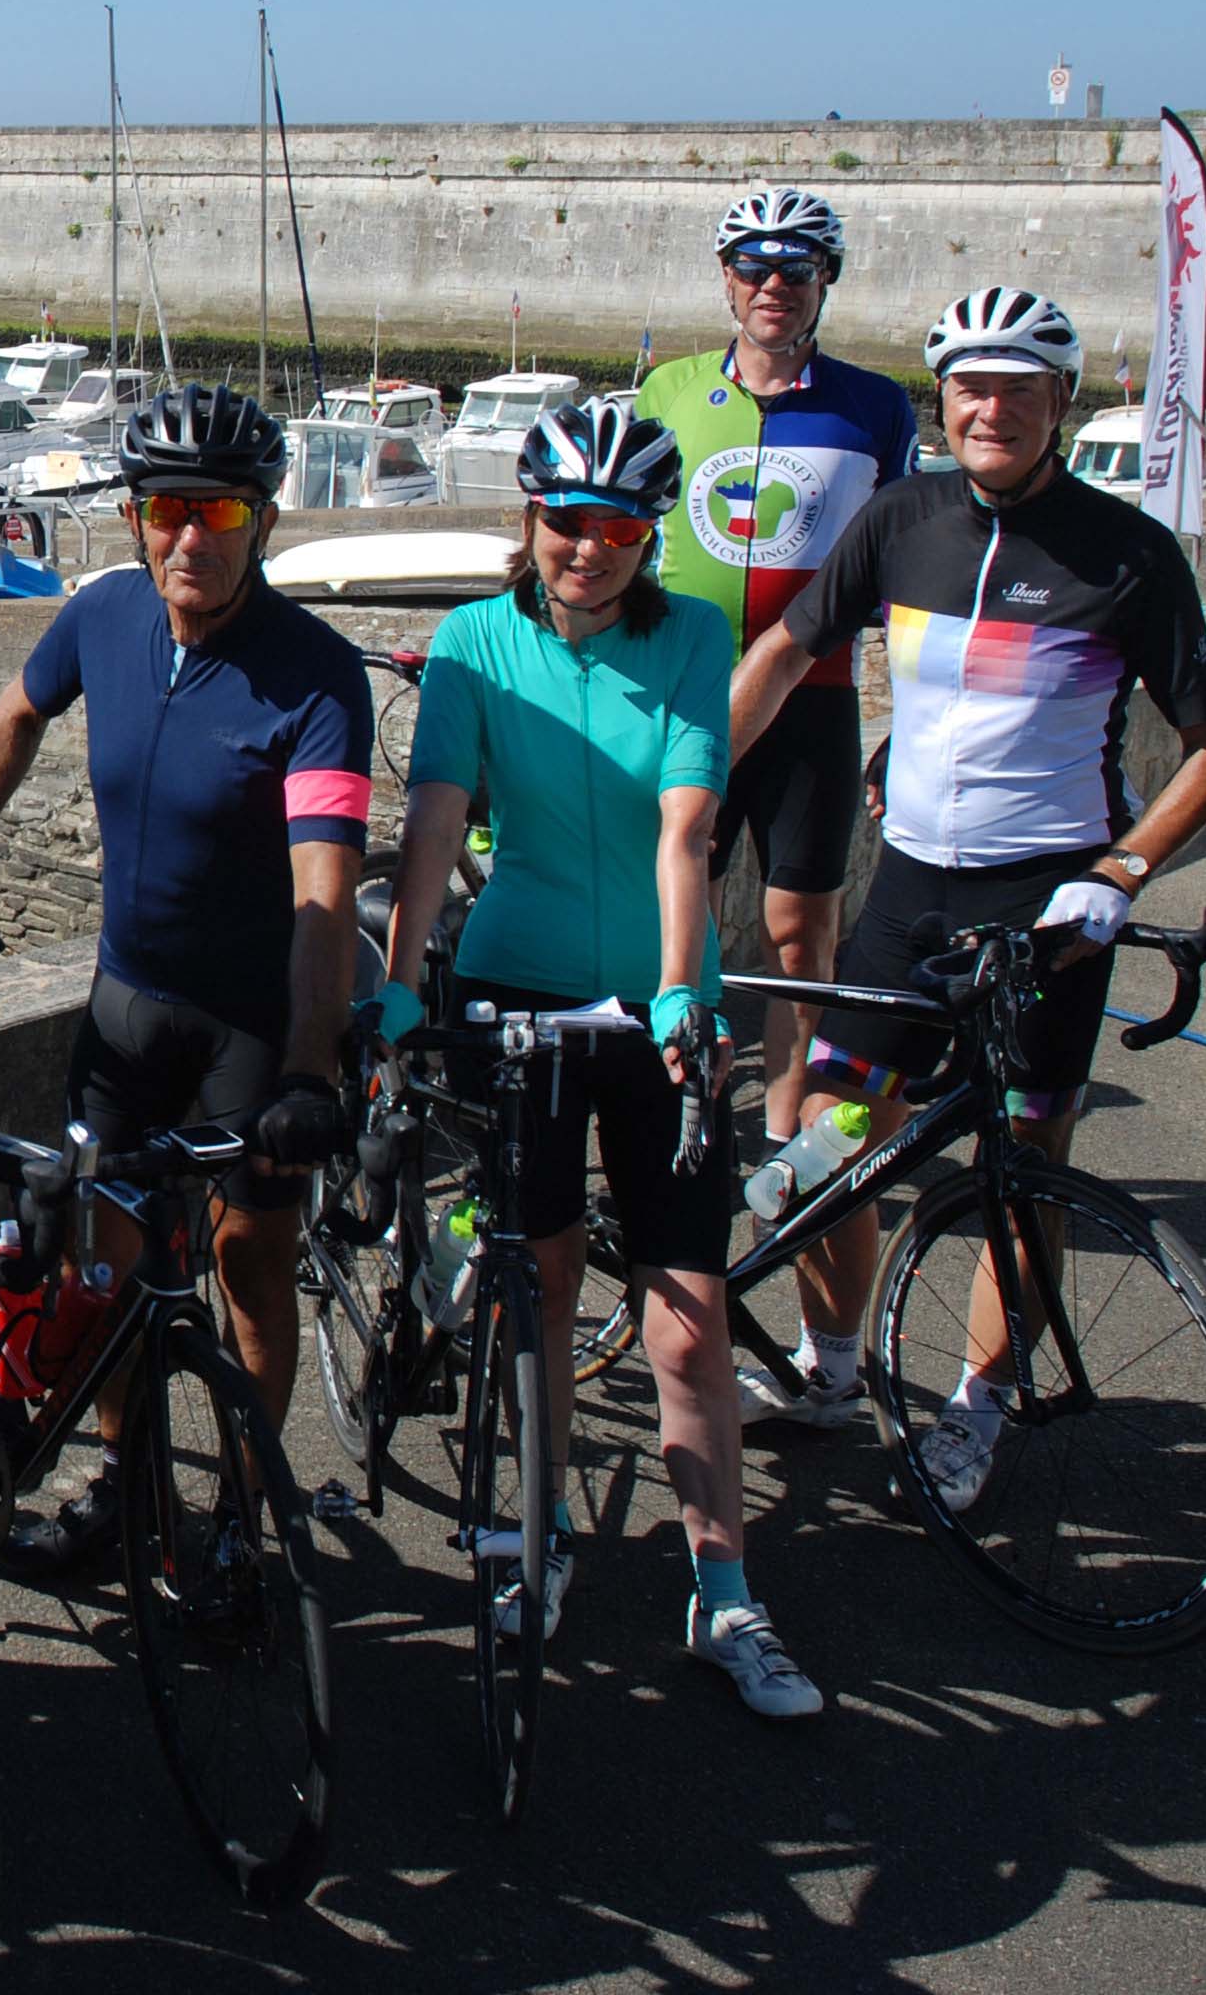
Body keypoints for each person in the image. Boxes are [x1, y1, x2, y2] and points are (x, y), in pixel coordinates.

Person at [723, 285, 1206, 1509]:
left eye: (1017, 386)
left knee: (1022, 1156)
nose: (990, 407)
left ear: (1061, 404)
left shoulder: (1126, 554)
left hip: (1043, 909)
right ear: (940, 401)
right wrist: (684, 796)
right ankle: (829, 1366)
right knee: (824, 1145)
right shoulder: (899, 518)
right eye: (968, 384)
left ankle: (977, 1405)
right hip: (906, 886)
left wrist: (1120, 872)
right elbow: (786, 654)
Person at [383, 402, 824, 1720]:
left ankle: (727, 1594)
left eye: (623, 528)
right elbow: (435, 822)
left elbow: (687, 829)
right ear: (531, 519)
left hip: (653, 1002)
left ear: (649, 538)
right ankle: (542, 1529)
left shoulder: (694, 635)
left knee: (690, 1321)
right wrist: (401, 991)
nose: (593, 550)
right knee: (549, 1288)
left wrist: (687, 987)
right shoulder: (473, 642)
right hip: (518, 982)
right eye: (569, 523)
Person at [0, 383, 367, 1574]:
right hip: (122, 1010)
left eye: (217, 515)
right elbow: (13, 720)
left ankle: (237, 1511)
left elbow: (324, 892)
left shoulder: (315, 677)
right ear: (132, 516)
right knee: (108, 1273)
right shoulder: (102, 616)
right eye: (166, 509)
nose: (188, 539)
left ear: (262, 523)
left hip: (248, 1029)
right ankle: (123, 1487)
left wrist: (310, 1066)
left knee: (246, 1269)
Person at [635, 188, 922, 1414]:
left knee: (800, 933)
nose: (773, 284)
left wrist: (902, 724)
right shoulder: (666, 390)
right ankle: (673, 1082)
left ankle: (786, 1120)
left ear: (825, 282)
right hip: (694, 689)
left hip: (809, 699)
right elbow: (625, 536)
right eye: (753, 264)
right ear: (723, 277)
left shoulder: (874, 406)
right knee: (677, 889)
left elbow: (909, 570)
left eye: (797, 267)